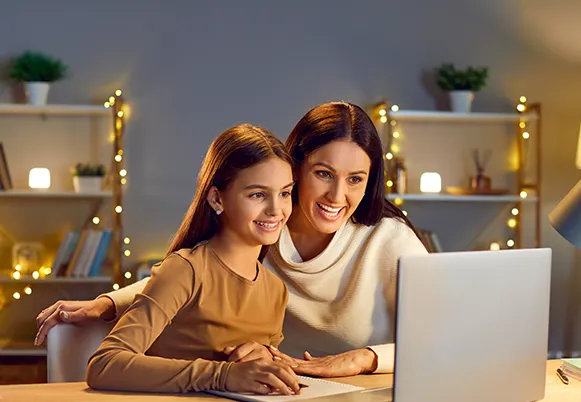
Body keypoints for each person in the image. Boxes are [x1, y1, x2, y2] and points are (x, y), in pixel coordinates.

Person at [35, 102, 428, 378]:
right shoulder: (267, 226)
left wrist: (362, 359)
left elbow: (439, 338)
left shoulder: (388, 240)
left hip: (358, 392)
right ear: (295, 168)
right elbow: (190, 274)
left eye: (355, 179)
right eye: (323, 173)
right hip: (275, 391)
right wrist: (106, 304)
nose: (337, 196)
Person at [85, 123, 301, 396]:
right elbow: (105, 365)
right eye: (257, 194)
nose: (276, 210)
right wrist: (221, 375)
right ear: (216, 199)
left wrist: (266, 361)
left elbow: (259, 378)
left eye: (285, 193)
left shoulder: (275, 290)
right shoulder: (185, 270)